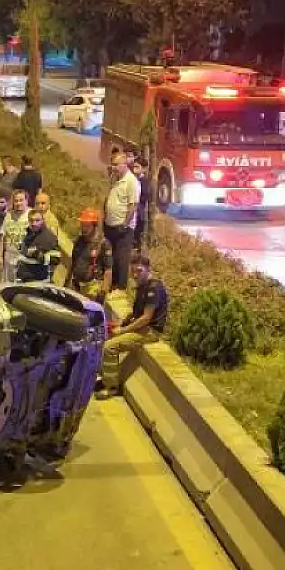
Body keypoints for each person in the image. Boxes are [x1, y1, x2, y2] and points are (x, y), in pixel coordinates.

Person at [97, 255, 169, 397]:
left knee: (109, 347)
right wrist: (121, 323)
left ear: (148, 269)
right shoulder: (142, 285)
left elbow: (146, 318)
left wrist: (123, 330)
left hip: (149, 331)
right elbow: (136, 313)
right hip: (140, 327)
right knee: (102, 336)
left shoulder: (153, 288)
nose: (135, 275)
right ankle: (105, 377)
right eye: (133, 272)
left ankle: (111, 387)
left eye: (139, 271)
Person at [103, 160, 142, 289]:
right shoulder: (116, 179)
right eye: (112, 164)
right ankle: (111, 284)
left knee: (121, 258)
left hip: (122, 227)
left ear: (124, 165)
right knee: (111, 257)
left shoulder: (131, 181)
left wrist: (124, 224)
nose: (113, 168)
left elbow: (133, 205)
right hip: (110, 224)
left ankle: (120, 287)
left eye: (116, 165)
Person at [66, 208, 114, 302]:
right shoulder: (79, 241)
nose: (84, 229)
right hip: (77, 285)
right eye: (82, 225)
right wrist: (67, 281)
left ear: (94, 226)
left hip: (92, 287)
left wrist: (103, 292)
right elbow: (72, 263)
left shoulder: (103, 244)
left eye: (87, 226)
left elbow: (108, 270)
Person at [16, 203, 62, 282]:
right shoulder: (26, 233)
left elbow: (56, 260)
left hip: (37, 281)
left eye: (37, 220)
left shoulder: (49, 238)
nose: (34, 223)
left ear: (43, 220)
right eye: (31, 220)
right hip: (23, 278)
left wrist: (38, 255)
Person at [0, 189, 31, 282]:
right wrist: (0, 256)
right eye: (16, 200)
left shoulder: (32, 215)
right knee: (7, 285)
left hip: (24, 259)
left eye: (21, 200)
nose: (18, 203)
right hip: (9, 258)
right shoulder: (8, 215)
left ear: (26, 201)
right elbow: (3, 236)